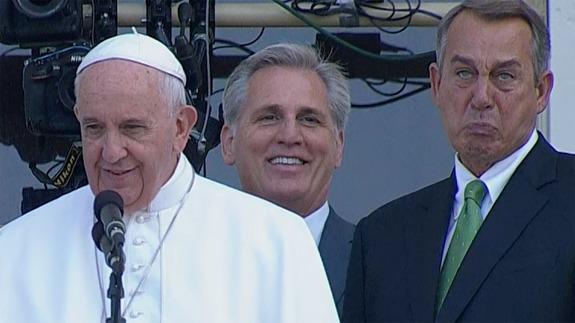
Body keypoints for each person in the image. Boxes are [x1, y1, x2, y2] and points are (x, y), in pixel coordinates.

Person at [0, 31, 339, 323]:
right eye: (94, 128)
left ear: (180, 128)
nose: (112, 151)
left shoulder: (277, 241)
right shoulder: (16, 249)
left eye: (132, 128)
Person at [343, 0, 575, 322]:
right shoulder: (382, 238)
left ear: (541, 91)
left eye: (504, 76)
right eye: (464, 73)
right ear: (437, 84)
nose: (481, 97)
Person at [219, 43, 355, 316]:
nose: (290, 135)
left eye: (309, 119)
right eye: (269, 117)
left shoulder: (381, 262)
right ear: (228, 142)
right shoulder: (192, 258)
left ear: (338, 146)